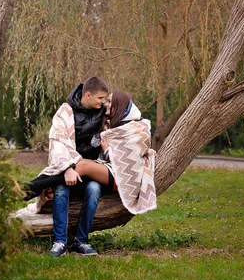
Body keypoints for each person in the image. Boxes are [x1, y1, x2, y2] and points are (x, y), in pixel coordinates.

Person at [24, 88, 157, 256]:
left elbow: (128, 159)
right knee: (79, 174)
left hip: (122, 178)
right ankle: (64, 241)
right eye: (105, 100)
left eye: (109, 101)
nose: (105, 104)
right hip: (106, 171)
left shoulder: (138, 127)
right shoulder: (111, 124)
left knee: (82, 165)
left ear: (119, 105)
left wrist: (107, 151)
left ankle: (30, 188)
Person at [29, 76, 110, 257]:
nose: (103, 101)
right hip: (68, 169)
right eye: (100, 98)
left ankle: (81, 241)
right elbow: (58, 142)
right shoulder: (65, 112)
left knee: (94, 189)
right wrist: (67, 168)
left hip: (93, 171)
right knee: (61, 190)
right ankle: (60, 242)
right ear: (87, 95)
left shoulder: (103, 112)